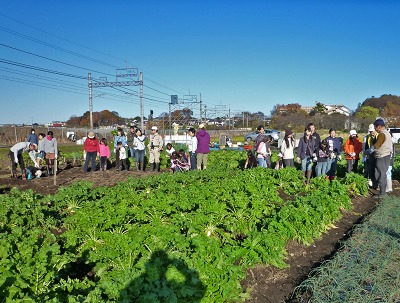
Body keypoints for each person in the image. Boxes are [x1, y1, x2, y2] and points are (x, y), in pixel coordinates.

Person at [372, 118, 392, 199]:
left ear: (379, 126)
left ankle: (382, 193)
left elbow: (377, 145)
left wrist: (368, 151)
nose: (375, 128)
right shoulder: (386, 133)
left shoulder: (382, 134)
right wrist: (373, 137)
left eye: (375, 127)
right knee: (379, 173)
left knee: (381, 174)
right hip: (385, 155)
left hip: (382, 156)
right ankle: (381, 191)